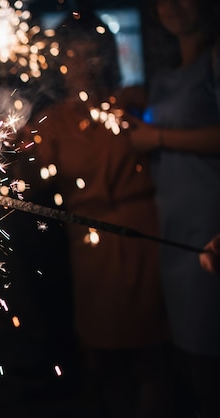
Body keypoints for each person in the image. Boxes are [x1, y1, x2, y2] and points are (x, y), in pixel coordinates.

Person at [20, 12, 173, 417]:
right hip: (89, 246)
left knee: (152, 351)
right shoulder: (48, 125)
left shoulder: (132, 103)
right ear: (59, 59)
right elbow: (30, 183)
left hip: (143, 235)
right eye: (74, 53)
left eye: (92, 54)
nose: (84, 64)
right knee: (103, 356)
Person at [120, 1, 220, 415]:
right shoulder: (164, 75)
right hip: (174, 226)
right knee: (193, 360)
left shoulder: (215, 61)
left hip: (211, 224)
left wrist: (158, 137)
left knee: (211, 357)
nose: (173, 6)